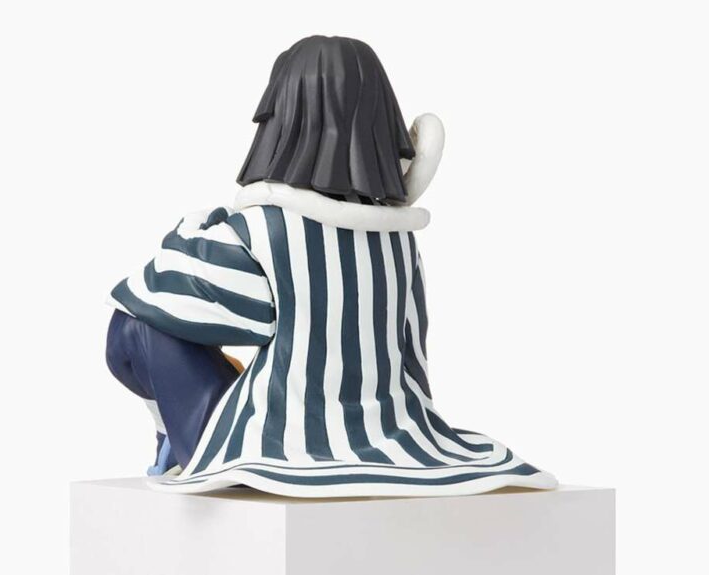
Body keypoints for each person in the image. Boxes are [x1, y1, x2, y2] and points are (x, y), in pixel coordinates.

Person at [106, 35, 557, 497]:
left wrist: (195, 228)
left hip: (275, 443)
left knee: (134, 326)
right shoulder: (400, 241)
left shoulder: (261, 229)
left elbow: (152, 294)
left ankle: (180, 442)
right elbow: (413, 359)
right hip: (401, 437)